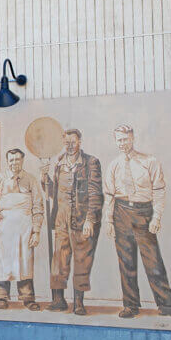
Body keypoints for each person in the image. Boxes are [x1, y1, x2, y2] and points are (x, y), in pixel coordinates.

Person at [104, 124, 171, 320]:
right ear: (115, 141)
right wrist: (109, 221)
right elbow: (109, 195)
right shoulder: (114, 165)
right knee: (126, 262)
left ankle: (167, 306)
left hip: (143, 212)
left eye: (125, 139)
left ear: (132, 139)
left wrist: (156, 217)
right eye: (119, 140)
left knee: (153, 261)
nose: (122, 143)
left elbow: (159, 190)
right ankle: (130, 306)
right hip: (121, 212)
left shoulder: (149, 161)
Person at [40, 129, 103, 315]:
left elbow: (95, 193)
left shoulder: (91, 162)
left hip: (81, 217)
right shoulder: (59, 163)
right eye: (66, 142)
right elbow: (53, 192)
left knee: (82, 259)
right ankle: (58, 300)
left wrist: (90, 219)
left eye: (73, 142)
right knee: (59, 258)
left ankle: (78, 303)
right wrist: (45, 180)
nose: (69, 146)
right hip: (61, 218)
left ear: (80, 142)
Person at [0, 149, 44, 311]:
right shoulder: (0, 179)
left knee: (24, 261)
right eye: (11, 160)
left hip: (25, 227)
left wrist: (36, 231)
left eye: (17, 160)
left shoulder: (31, 180)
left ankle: (27, 298)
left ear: (22, 161)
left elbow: (38, 206)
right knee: (3, 261)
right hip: (4, 227)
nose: (14, 163)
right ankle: (2, 297)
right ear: (7, 161)